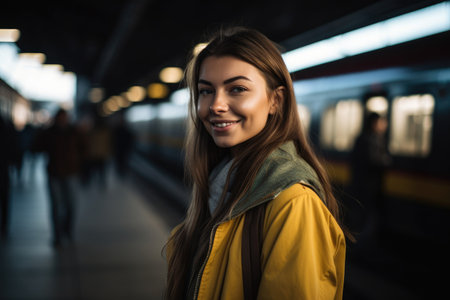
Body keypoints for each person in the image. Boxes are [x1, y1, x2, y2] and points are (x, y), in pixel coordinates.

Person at [165, 27, 351, 300]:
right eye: (206, 91)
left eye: (237, 89)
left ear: (275, 100)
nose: (216, 105)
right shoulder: (219, 184)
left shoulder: (293, 202)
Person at [33, 109, 84, 246]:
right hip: (54, 173)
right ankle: (57, 235)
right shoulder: (49, 132)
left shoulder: (75, 132)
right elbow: (37, 147)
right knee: (56, 205)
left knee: (71, 204)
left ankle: (67, 230)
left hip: (71, 172)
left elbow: (84, 149)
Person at [350, 111, 392, 247]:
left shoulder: (362, 138)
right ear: (374, 124)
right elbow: (375, 161)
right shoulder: (371, 140)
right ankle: (363, 247)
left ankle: (361, 246)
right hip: (369, 186)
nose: (384, 125)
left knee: (363, 216)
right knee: (367, 217)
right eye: (381, 122)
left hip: (362, 184)